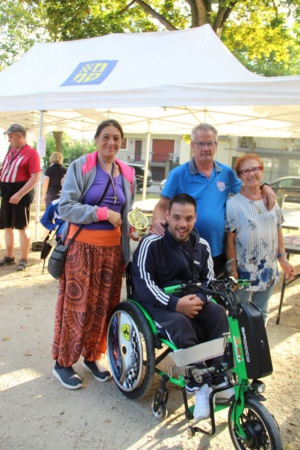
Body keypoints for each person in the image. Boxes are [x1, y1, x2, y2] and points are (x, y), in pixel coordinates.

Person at [131, 194, 233, 421]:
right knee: (179, 322)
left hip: (191, 300)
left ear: (195, 218)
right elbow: (144, 284)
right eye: (176, 217)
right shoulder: (150, 243)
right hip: (158, 304)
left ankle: (219, 377)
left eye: (188, 218)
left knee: (217, 313)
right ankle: (199, 385)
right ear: (167, 216)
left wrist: (200, 299)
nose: (182, 224)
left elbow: (209, 282)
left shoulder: (202, 245)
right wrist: (175, 304)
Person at [52, 119, 136, 390]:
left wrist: (131, 229)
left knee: (103, 307)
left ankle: (92, 355)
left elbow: (125, 212)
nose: (112, 143)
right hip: (83, 249)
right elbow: (65, 208)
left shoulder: (127, 172)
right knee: (77, 307)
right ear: (96, 139)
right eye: (106, 137)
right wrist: (100, 213)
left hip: (113, 253)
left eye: (116, 138)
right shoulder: (82, 166)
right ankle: (63, 363)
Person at [151, 123, 276, 276]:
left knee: (214, 295)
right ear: (192, 146)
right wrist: (157, 221)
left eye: (210, 143)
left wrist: (264, 187)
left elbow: (248, 190)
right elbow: (162, 205)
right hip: (186, 250)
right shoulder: (178, 173)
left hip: (218, 250)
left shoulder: (226, 173)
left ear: (216, 145)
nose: (206, 148)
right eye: (200, 143)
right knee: (190, 292)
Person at [225, 154, 295, 324]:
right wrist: (233, 271)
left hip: (268, 268)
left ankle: (258, 348)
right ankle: (238, 349)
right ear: (240, 175)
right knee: (238, 313)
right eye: (245, 171)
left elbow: (277, 229)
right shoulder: (233, 204)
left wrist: (283, 259)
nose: (251, 174)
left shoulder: (270, 199)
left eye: (255, 169)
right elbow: (229, 241)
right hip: (244, 271)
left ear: (261, 171)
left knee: (261, 311)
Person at [0, 124, 41, 271]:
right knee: (7, 226)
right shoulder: (11, 150)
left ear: (19, 136)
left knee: (22, 226)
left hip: (21, 191)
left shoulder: (31, 153)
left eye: (11, 137)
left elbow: (35, 176)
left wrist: (19, 194)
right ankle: (9, 256)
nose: (9, 140)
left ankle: (24, 259)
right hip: (7, 191)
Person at [40, 176, 66, 241]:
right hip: (62, 238)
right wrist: (56, 227)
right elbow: (44, 220)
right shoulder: (55, 204)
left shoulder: (82, 203)